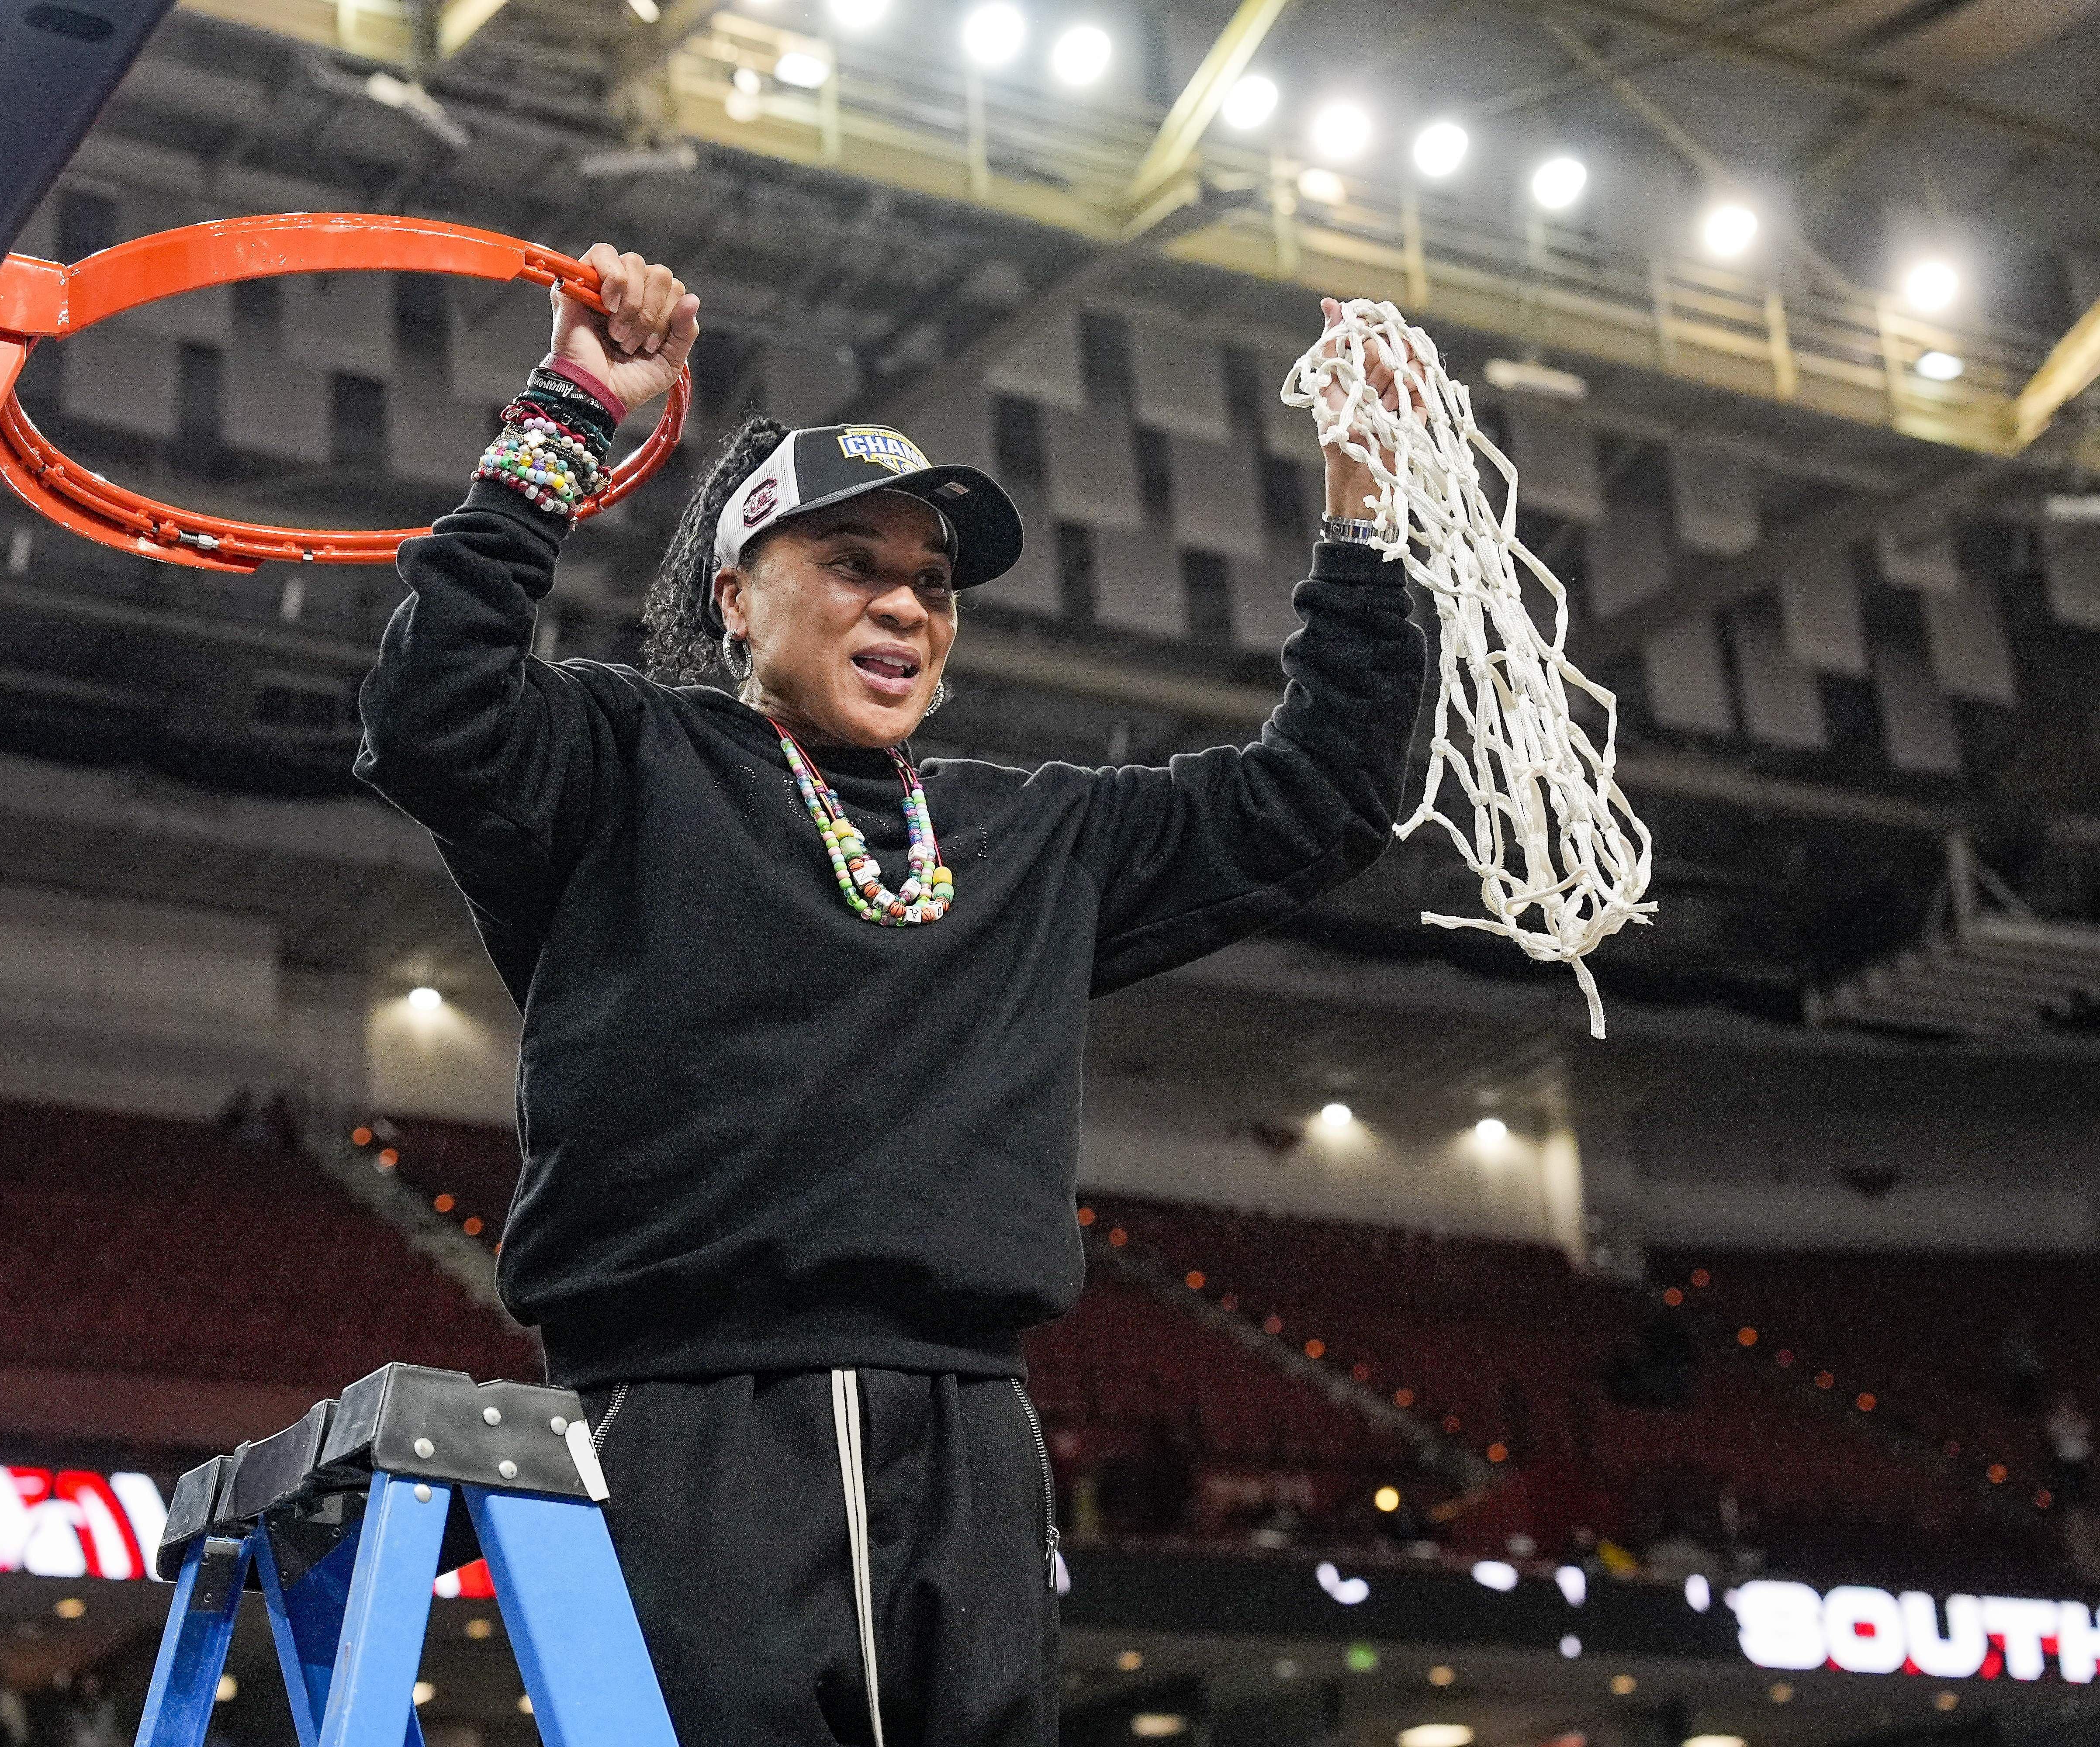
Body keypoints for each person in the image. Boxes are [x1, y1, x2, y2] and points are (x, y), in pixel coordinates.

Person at [355, 245, 1423, 1747]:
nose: (906, 606)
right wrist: (574, 406)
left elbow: (1322, 795)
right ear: (736, 595)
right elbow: (433, 715)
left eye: (932, 582)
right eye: (850, 564)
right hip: (689, 1417)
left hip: (973, 1431)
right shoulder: (622, 763)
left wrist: (1368, 513)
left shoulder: (1037, 832)